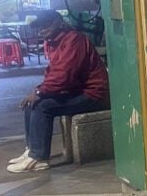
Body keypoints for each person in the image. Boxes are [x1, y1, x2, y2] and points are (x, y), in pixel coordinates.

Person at [6, 10, 109, 173]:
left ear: (59, 23)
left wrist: (41, 93)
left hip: (93, 94)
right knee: (30, 104)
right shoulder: (52, 41)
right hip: (75, 89)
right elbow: (54, 72)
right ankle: (32, 149)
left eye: (45, 26)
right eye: (39, 27)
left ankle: (39, 158)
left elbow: (64, 75)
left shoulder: (74, 40)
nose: (41, 30)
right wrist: (39, 90)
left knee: (43, 106)